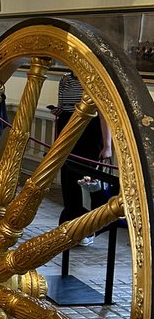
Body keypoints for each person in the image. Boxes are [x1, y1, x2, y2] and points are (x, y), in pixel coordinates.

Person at [54, 68, 112, 244]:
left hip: (89, 133)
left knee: (89, 182)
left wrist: (107, 146)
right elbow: (62, 110)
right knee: (68, 180)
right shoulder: (65, 80)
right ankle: (71, 224)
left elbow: (103, 115)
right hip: (68, 131)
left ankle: (89, 228)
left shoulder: (95, 79)